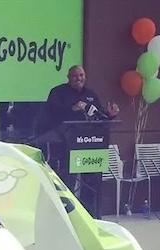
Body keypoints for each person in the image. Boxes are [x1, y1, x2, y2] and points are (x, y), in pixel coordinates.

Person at [44, 65, 119, 195]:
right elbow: (52, 113)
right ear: (68, 77)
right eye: (75, 76)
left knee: (91, 183)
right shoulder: (58, 92)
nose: (79, 78)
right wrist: (73, 108)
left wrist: (110, 115)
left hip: (88, 145)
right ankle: (66, 211)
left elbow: (99, 115)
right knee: (67, 182)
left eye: (81, 75)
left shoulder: (91, 94)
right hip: (65, 145)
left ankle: (89, 212)